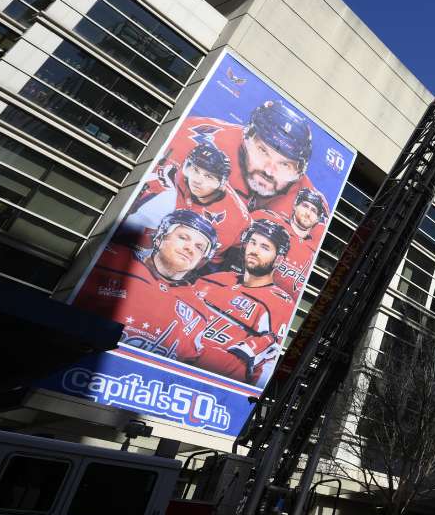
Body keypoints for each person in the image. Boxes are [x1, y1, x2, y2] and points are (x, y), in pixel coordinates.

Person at [76, 211, 221, 362]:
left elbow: (186, 360)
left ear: (201, 261)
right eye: (183, 237)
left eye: (199, 247)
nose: (190, 248)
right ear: (159, 238)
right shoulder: (112, 260)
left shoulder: (199, 310)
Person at [159, 100, 317, 219]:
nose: (269, 171)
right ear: (246, 138)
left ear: (299, 172)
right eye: (262, 151)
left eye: (284, 164)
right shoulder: (198, 138)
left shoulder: (307, 199)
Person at [196, 219, 295, 385]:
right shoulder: (216, 279)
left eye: (264, 247)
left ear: (278, 260)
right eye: (253, 243)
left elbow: (265, 367)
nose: (254, 250)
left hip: (213, 383)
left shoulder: (281, 305)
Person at [122, 142, 251, 262]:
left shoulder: (235, 217)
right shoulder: (168, 180)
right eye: (195, 170)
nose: (197, 180)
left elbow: (204, 260)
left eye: (208, 176)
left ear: (222, 184)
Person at [251, 188, 328, 296]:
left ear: (317, 219)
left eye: (314, 210)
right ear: (295, 205)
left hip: (286, 307)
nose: (308, 213)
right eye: (305, 206)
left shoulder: (316, 250)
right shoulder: (268, 221)